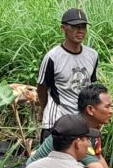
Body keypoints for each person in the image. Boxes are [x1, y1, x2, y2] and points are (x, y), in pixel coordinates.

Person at [37, 8, 99, 141]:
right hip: (57, 120)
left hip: (81, 121)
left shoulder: (92, 55)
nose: (80, 31)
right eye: (76, 27)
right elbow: (42, 86)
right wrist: (43, 108)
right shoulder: (52, 57)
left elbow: (90, 86)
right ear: (63, 28)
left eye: (83, 27)